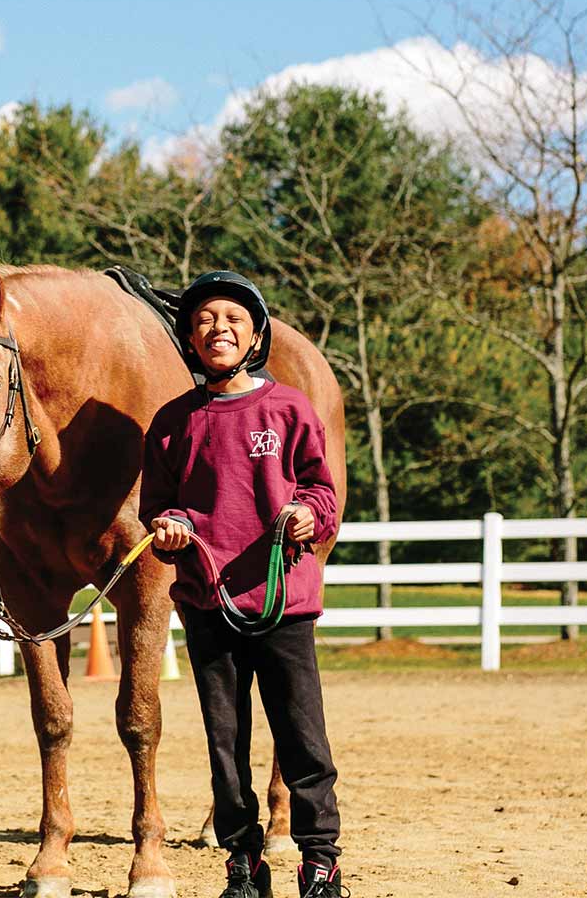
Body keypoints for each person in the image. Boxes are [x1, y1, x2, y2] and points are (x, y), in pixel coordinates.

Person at [139, 271, 346, 898]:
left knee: (303, 737)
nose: (218, 329)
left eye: (232, 319)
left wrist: (309, 514)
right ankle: (243, 863)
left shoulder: (289, 409)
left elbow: (323, 490)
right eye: (204, 320)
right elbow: (160, 506)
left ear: (255, 336)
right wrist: (170, 527)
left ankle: (320, 861)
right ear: (190, 338)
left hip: (283, 602)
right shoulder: (172, 422)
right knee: (225, 746)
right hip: (209, 605)